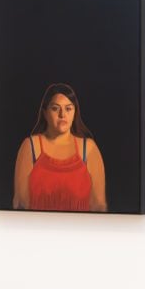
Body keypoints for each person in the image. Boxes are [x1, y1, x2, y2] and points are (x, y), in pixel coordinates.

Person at [12, 82, 107, 212]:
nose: (62, 115)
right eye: (55, 108)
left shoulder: (89, 148)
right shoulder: (30, 146)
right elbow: (20, 203)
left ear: (75, 113)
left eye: (68, 109)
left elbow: (99, 205)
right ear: (45, 113)